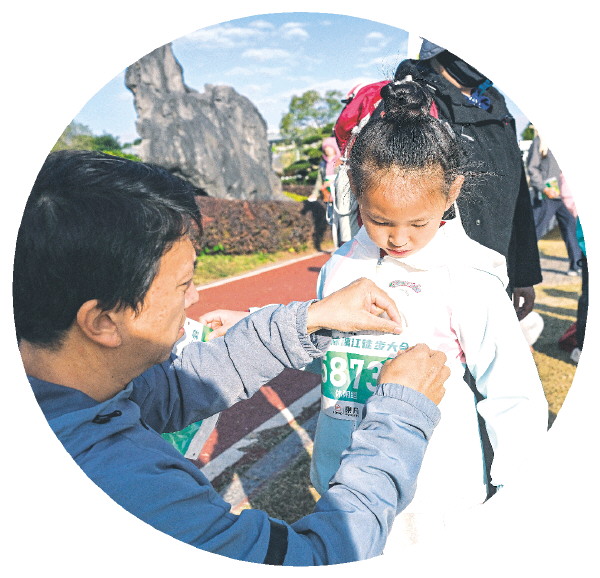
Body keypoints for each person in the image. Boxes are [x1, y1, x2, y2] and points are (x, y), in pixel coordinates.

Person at [13, 149, 450, 566]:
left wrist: (311, 319)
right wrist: (401, 414)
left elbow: (176, 388)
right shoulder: (131, 489)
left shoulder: (72, 390)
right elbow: (320, 560)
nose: (195, 297)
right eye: (183, 284)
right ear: (103, 322)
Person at [307, 79, 549, 545]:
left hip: (435, 489)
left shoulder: (469, 278)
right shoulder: (340, 266)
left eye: (419, 223)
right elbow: (323, 349)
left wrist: (516, 483)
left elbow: (512, 391)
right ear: (355, 188)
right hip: (344, 480)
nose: (399, 238)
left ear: (452, 190)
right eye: (380, 220)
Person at [394, 40, 542, 321]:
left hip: (495, 273)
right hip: (432, 284)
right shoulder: (410, 102)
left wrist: (524, 274)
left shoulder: (495, 102)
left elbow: (516, 192)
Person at [526, 129, 582, 275]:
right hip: (547, 196)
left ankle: (576, 266)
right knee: (536, 230)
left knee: (571, 229)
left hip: (565, 197)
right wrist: (543, 188)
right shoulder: (540, 141)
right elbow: (532, 167)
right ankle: (523, 265)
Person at [307, 136, 343, 246]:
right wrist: (314, 194)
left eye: (329, 147)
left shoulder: (340, 161)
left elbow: (344, 176)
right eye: (325, 148)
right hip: (328, 194)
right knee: (332, 219)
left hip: (340, 193)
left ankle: (344, 243)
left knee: (342, 219)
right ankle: (337, 244)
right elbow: (319, 180)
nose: (327, 150)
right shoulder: (323, 164)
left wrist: (333, 181)